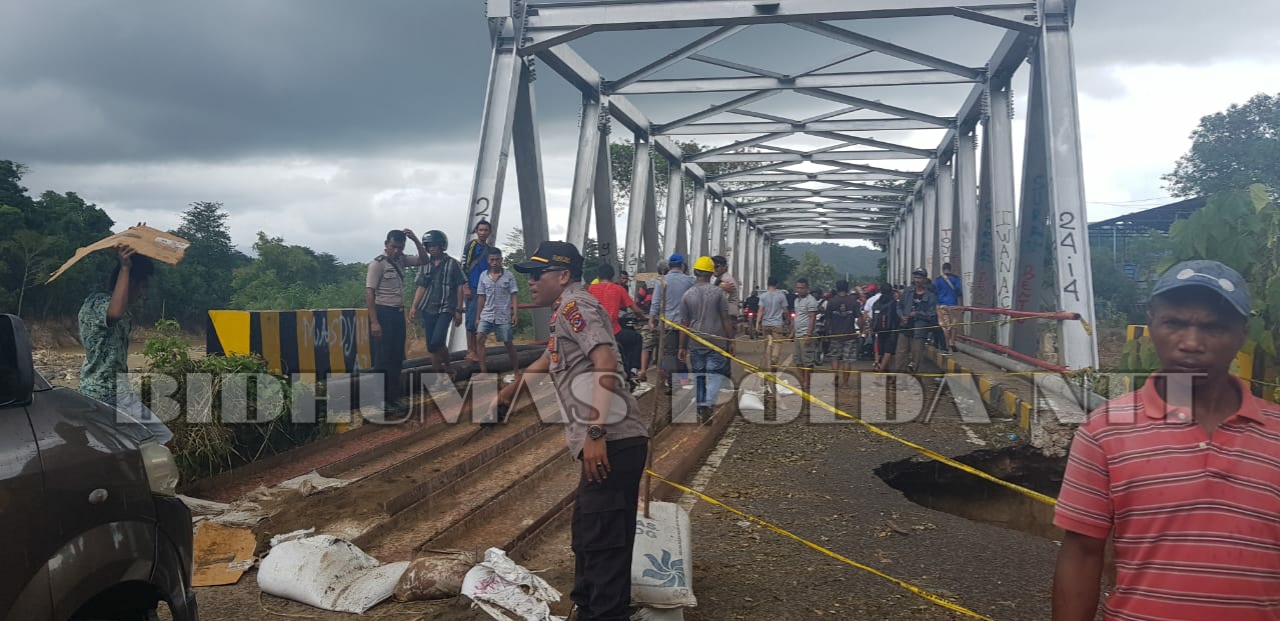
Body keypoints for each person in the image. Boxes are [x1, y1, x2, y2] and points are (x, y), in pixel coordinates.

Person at [1052, 260, 1280, 621]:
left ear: (1243, 333)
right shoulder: (1105, 430)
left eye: (1214, 327)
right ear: (1151, 324)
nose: (1191, 343)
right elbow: (1082, 552)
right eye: (1174, 323)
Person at [499, 241, 650, 621]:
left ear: (563, 275)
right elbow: (548, 357)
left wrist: (596, 432)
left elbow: (605, 359)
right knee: (588, 536)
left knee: (603, 542)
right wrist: (510, 390)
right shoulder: (563, 311)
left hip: (612, 441)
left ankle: (604, 614)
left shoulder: (575, 306)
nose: (531, 282)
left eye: (537, 274)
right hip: (607, 441)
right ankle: (589, 609)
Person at [78, 241, 172, 441]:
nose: (143, 294)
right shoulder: (97, 303)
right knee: (160, 438)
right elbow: (114, 312)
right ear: (131, 282)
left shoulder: (112, 308)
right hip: (107, 393)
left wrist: (138, 241)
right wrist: (126, 267)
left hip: (109, 393)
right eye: (142, 286)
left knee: (123, 446)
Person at [367, 228, 427, 415]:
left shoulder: (402, 260)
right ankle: (380, 399)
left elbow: (424, 260)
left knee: (396, 358)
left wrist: (416, 239)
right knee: (382, 359)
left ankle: (393, 398)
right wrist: (374, 322)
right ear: (386, 244)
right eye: (393, 247)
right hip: (383, 313)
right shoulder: (377, 264)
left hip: (398, 314)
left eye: (400, 248)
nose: (397, 251)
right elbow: (369, 293)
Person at [678, 256, 736, 424]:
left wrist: (682, 346)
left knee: (699, 376)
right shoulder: (718, 293)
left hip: (695, 341)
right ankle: (708, 403)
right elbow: (726, 319)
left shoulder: (687, 295)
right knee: (715, 374)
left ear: (695, 272)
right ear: (712, 274)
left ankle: (699, 411)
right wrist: (731, 340)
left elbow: (684, 323)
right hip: (716, 340)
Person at [409, 230, 466, 384]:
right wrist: (414, 306)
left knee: (437, 341)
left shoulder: (452, 263)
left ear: (441, 246)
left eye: (435, 245)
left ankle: (448, 368)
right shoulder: (425, 265)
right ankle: (440, 377)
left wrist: (459, 310)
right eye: (429, 246)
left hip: (447, 307)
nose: (432, 248)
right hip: (428, 308)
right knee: (431, 346)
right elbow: (421, 287)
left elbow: (460, 285)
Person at [587, 263, 647, 381]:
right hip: (613, 331)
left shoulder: (591, 289)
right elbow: (635, 309)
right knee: (636, 338)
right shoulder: (618, 289)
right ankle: (633, 370)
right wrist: (643, 317)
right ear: (613, 277)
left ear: (598, 277)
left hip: (595, 332)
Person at [649, 254, 696, 394]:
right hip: (685, 324)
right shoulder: (689, 281)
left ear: (669, 266)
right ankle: (683, 380)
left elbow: (656, 302)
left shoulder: (662, 282)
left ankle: (672, 382)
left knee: (669, 353)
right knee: (682, 351)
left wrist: (652, 319)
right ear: (682, 266)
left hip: (667, 323)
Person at [474, 248, 520, 378]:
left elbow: (514, 295)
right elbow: (481, 297)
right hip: (487, 314)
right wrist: (478, 317)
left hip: (503, 315)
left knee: (508, 343)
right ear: (488, 261)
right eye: (492, 260)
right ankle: (483, 372)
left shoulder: (508, 276)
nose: (495, 262)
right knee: (479, 339)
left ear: (501, 260)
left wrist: (515, 313)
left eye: (497, 260)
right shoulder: (483, 275)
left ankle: (516, 371)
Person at [462, 220, 493, 363]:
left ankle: (478, 348)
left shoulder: (489, 249)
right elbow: (464, 266)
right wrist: (466, 286)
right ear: (476, 231)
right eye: (481, 230)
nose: (483, 233)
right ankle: (471, 350)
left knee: (482, 318)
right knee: (471, 318)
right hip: (473, 286)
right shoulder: (472, 246)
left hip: (485, 288)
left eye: (486, 230)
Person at [901, 269, 938, 373]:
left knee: (917, 357)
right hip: (905, 328)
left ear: (925, 279)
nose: (917, 280)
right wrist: (902, 316)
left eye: (920, 278)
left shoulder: (930, 296)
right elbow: (899, 306)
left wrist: (917, 314)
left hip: (919, 330)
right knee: (901, 355)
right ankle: (900, 380)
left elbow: (932, 314)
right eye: (916, 277)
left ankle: (917, 380)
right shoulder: (908, 292)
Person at [826, 280, 860, 388]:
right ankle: (845, 383)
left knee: (835, 357)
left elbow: (828, 320)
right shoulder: (853, 301)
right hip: (850, 334)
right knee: (847, 360)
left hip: (835, 335)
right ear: (847, 288)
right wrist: (861, 331)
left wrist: (827, 333)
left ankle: (836, 376)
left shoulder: (831, 301)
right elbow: (860, 318)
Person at [792, 278, 821, 390]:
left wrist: (809, 334)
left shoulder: (811, 301)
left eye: (802, 288)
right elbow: (797, 317)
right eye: (798, 288)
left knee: (807, 361)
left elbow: (812, 317)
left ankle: (807, 383)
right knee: (798, 360)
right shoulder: (796, 300)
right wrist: (792, 332)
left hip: (806, 334)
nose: (800, 290)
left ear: (807, 288)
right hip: (798, 334)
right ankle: (802, 381)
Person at [756, 276, 789, 369]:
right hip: (777, 324)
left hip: (765, 324)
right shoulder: (781, 295)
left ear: (767, 284)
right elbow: (785, 310)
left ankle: (767, 361)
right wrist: (787, 320)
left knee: (766, 344)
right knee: (777, 343)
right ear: (777, 284)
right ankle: (774, 359)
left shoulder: (763, 296)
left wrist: (757, 323)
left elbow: (760, 310)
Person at [869, 283, 900, 372]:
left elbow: (872, 317)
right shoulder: (893, 302)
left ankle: (877, 364)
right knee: (889, 351)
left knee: (880, 349)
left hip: (879, 329)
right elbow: (897, 317)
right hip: (891, 329)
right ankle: (881, 369)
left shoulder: (877, 302)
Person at [934, 262, 963, 354]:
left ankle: (946, 346)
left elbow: (935, 292)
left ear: (942, 269)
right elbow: (959, 291)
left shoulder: (938, 280)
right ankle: (952, 343)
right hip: (953, 305)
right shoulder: (956, 279)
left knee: (945, 327)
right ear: (951, 269)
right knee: (953, 325)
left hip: (942, 305)